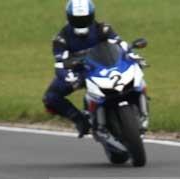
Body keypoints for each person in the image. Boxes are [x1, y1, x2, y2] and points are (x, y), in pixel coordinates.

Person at [43, 0, 124, 137]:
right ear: (69, 17)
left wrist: (133, 56)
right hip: (79, 72)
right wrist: (69, 77)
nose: (81, 22)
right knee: (51, 97)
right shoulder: (61, 38)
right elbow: (60, 64)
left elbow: (121, 46)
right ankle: (80, 120)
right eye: (76, 19)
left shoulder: (103, 29)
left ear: (92, 16)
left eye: (85, 18)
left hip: (105, 67)